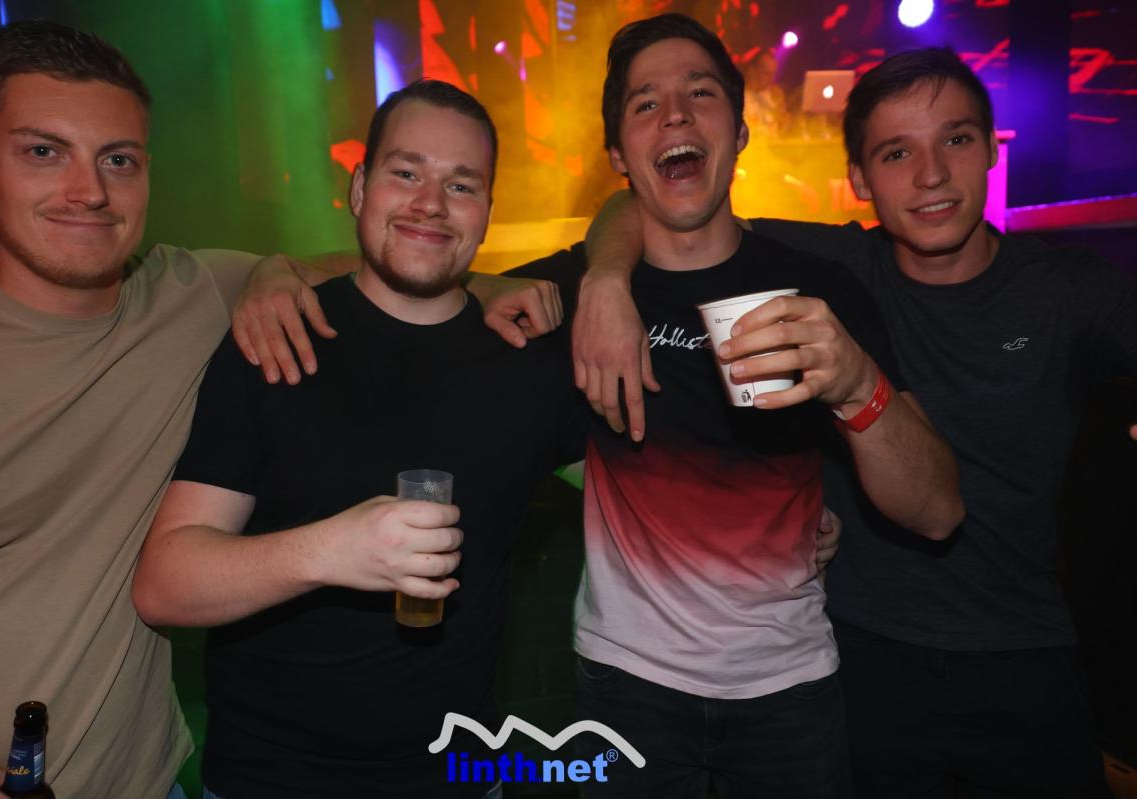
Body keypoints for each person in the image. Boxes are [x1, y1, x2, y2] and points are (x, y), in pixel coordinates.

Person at [0, 21, 556, 799]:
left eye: (118, 159)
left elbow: (392, 261)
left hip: (143, 778)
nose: (88, 190)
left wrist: (494, 284)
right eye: (42, 151)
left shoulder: (196, 297)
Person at [573, 46, 1137, 798]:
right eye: (897, 153)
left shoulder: (1067, 288)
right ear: (861, 179)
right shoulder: (837, 264)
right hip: (865, 654)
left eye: (956, 139)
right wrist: (604, 278)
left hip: (1024, 649)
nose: (930, 175)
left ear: (993, 150)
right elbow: (660, 204)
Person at [503, 14, 963, 798]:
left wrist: (858, 384)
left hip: (792, 684)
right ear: (618, 155)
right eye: (646, 103)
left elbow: (939, 511)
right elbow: (426, 283)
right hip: (626, 684)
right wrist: (282, 274)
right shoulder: (583, 287)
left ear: (741, 132)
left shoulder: (821, 288)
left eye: (701, 93)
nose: (675, 115)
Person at [130, 79, 586, 799]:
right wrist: (332, 550)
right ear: (360, 187)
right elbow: (164, 584)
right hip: (269, 784)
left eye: (460, 184)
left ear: (487, 212)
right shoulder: (276, 337)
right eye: (406, 173)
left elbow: (644, 480)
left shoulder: (530, 363)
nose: (430, 203)